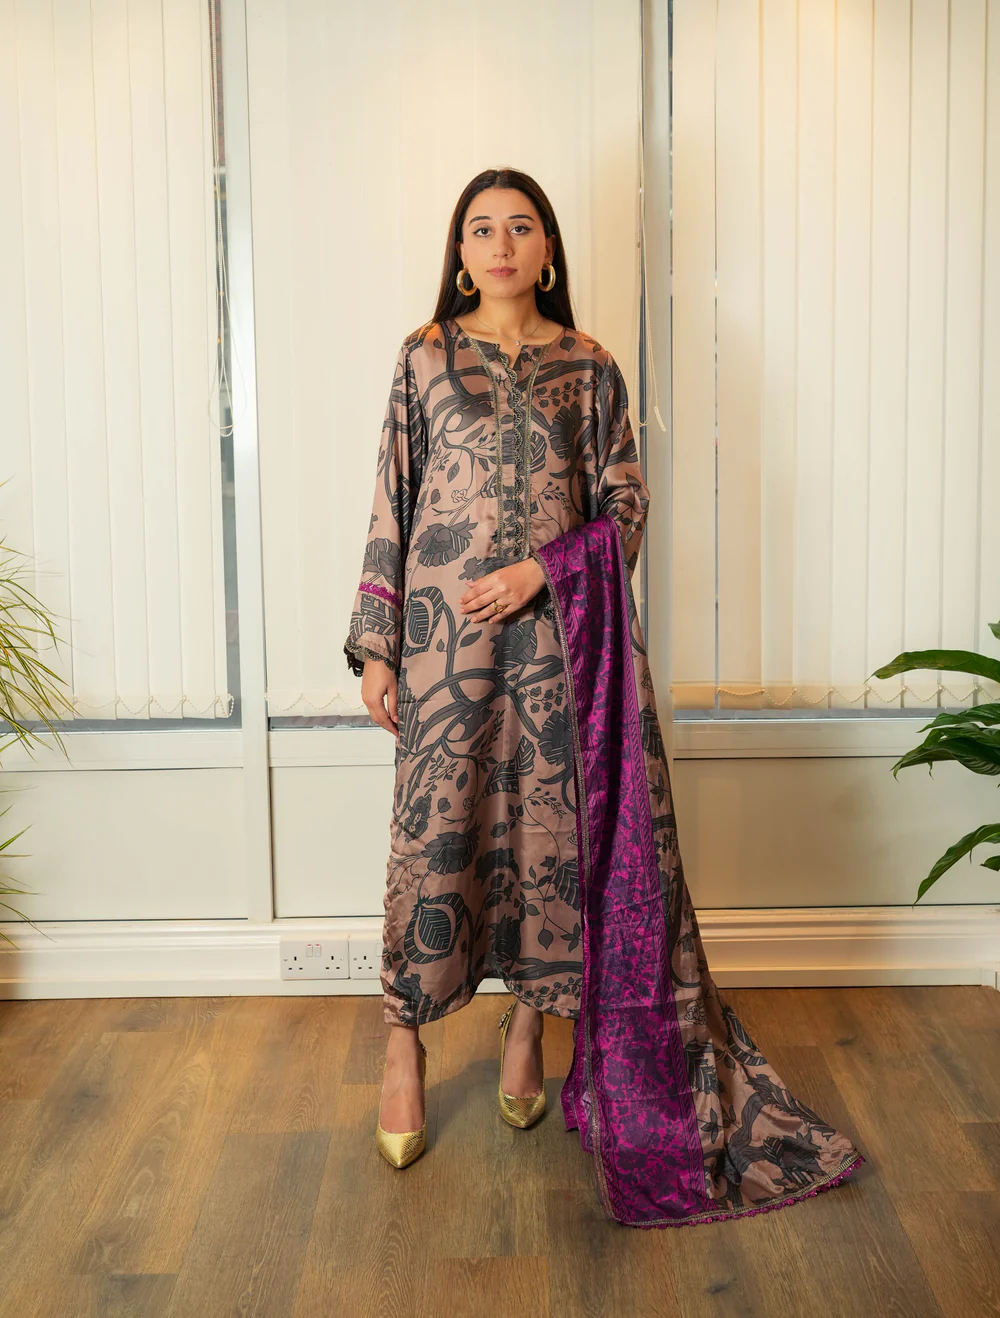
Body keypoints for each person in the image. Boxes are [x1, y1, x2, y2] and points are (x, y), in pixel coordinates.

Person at [344, 167, 864, 1226]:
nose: (500, 245)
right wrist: (376, 647)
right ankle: (403, 1043)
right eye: (481, 229)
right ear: (460, 253)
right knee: (433, 839)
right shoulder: (424, 356)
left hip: (556, 652)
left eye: (520, 227)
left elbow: (624, 506)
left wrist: (542, 572)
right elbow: (392, 500)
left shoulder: (590, 367)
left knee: (550, 844)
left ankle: (531, 1029)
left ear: (548, 250)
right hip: (443, 651)